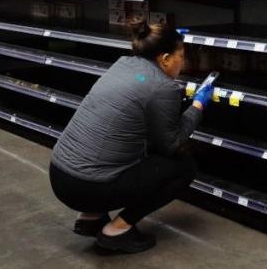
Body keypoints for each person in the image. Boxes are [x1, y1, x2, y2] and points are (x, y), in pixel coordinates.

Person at [49, 19, 215, 253]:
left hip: (59, 176)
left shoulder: (123, 64)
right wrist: (198, 105)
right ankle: (117, 231)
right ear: (165, 59)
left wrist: (166, 36)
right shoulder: (163, 88)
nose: (184, 62)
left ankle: (91, 217)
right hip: (87, 187)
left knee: (126, 149)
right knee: (183, 167)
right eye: (181, 55)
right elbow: (171, 144)